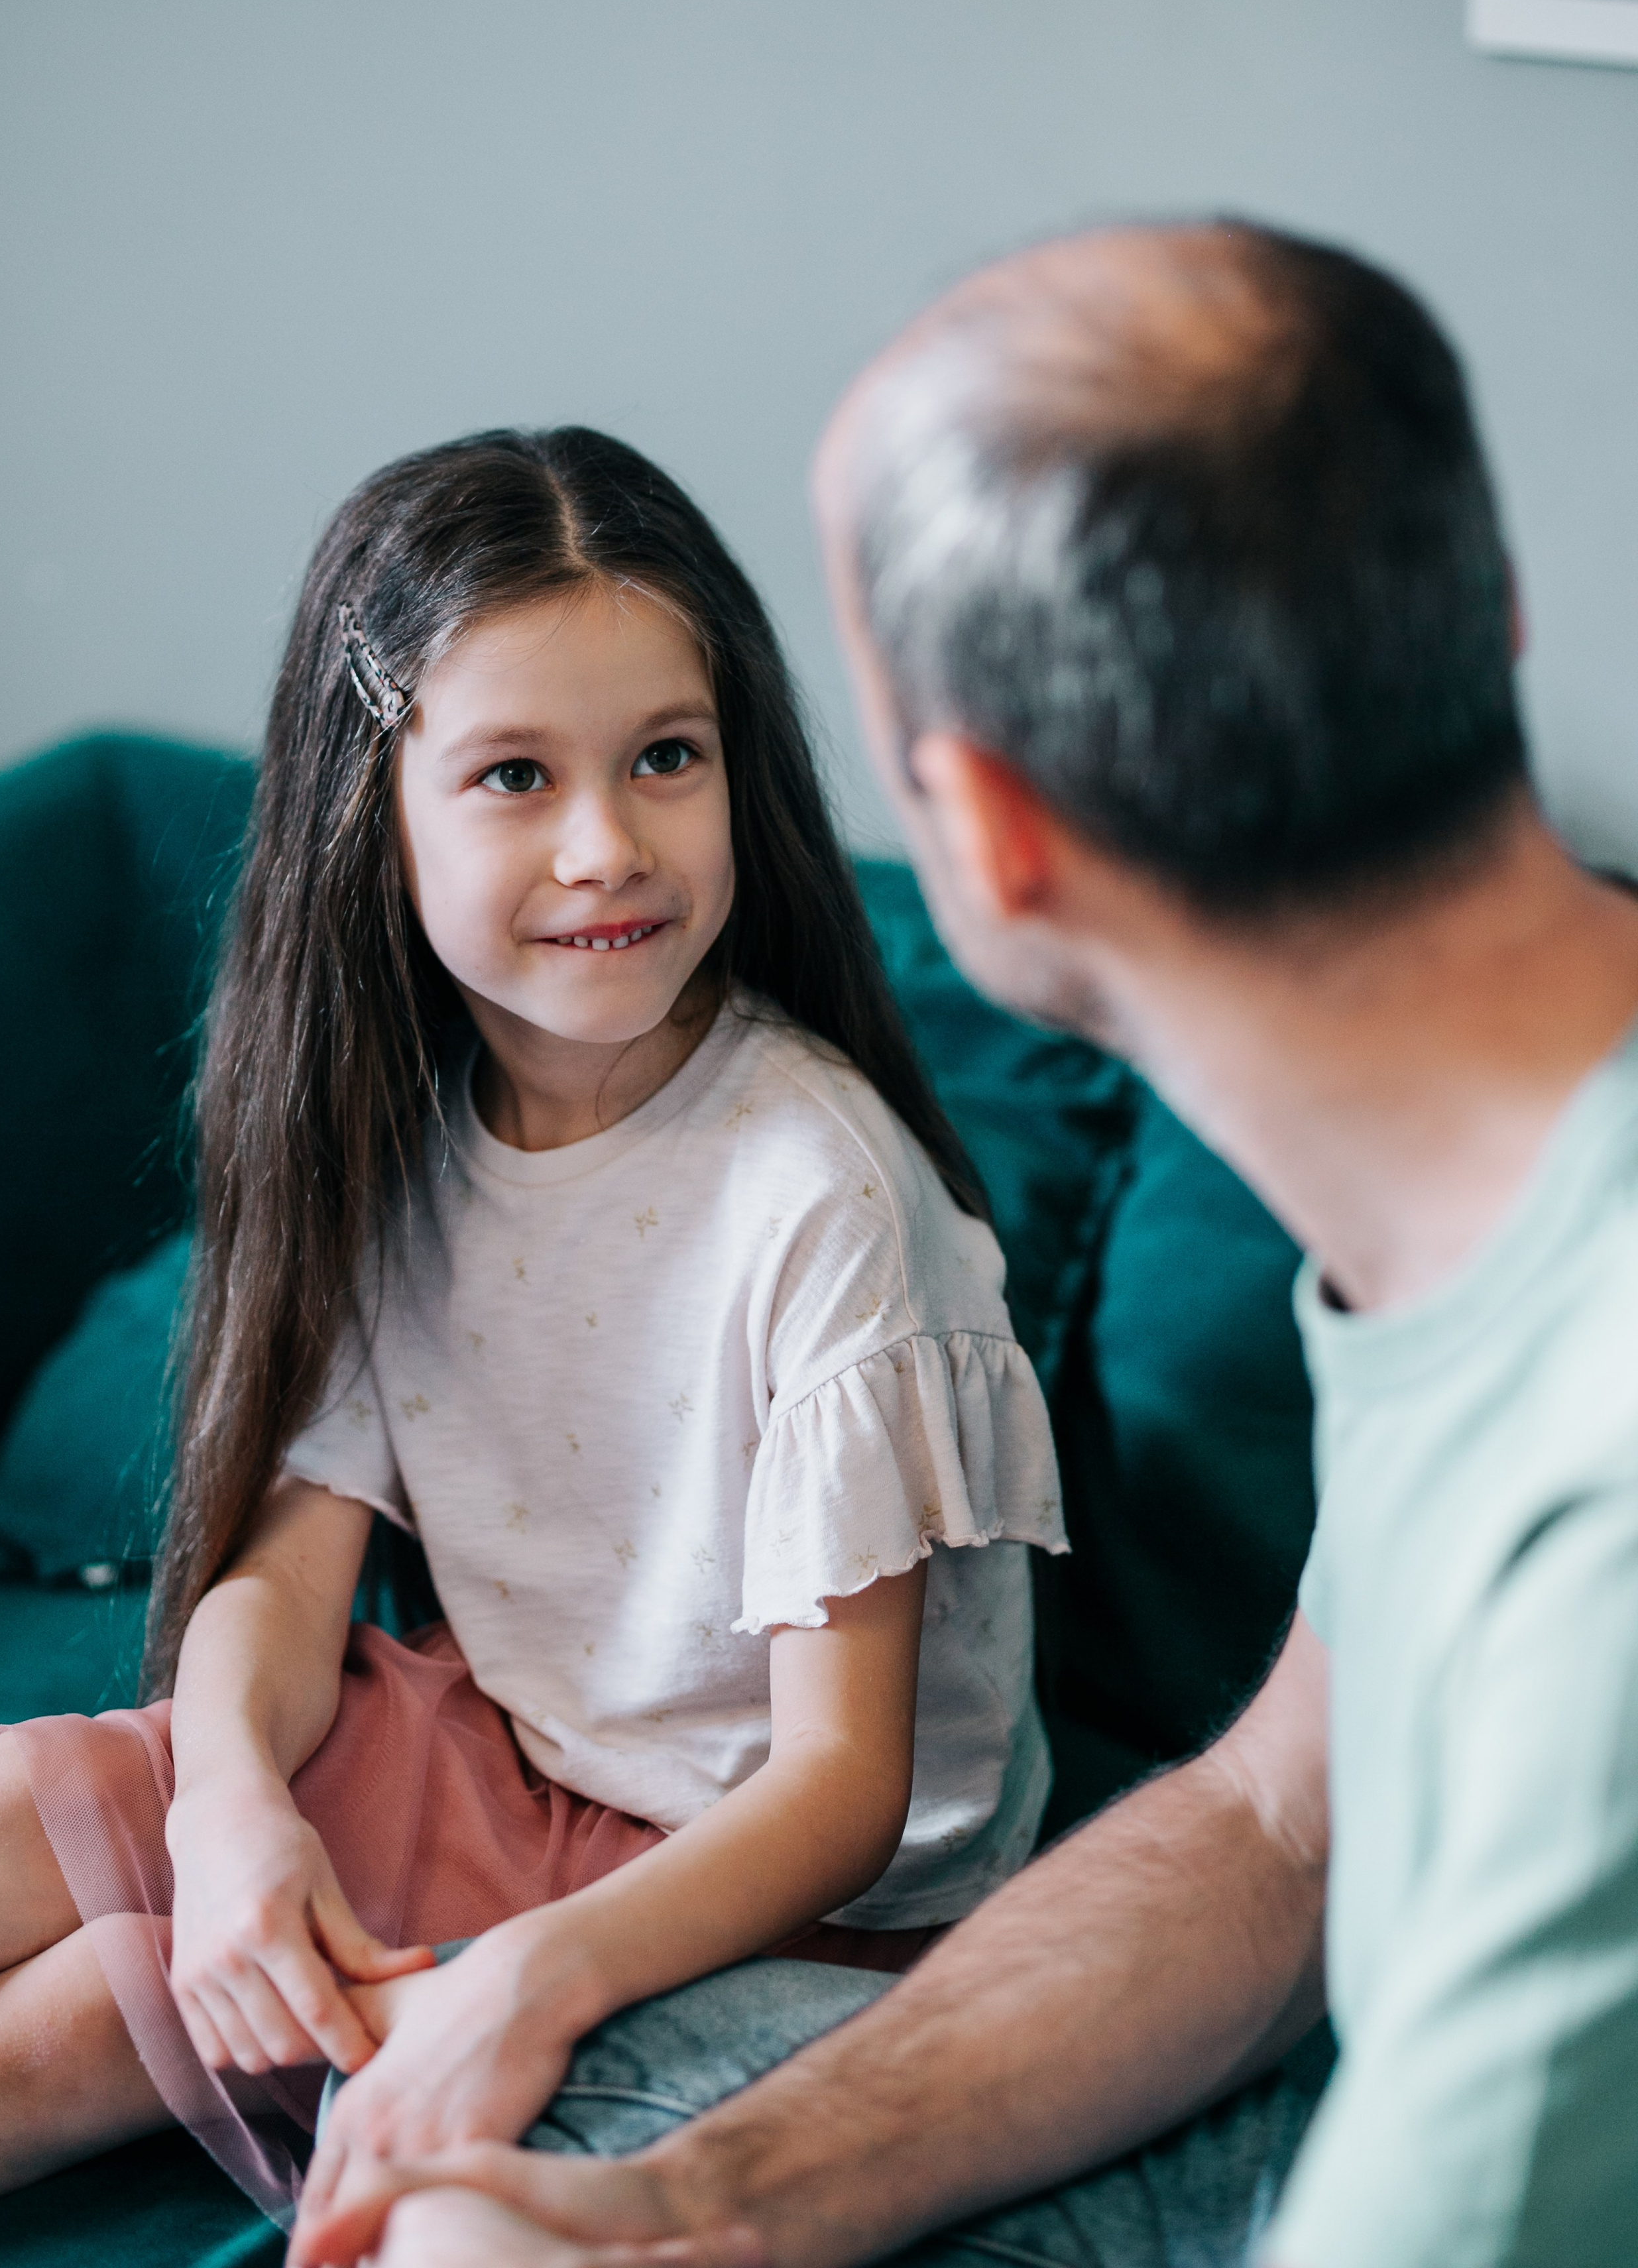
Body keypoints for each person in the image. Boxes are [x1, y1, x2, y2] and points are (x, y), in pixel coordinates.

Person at [289, 223, 1638, 2268]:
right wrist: (688, 2214)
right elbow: (1281, 1826)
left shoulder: (1601, 1488)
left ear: (988, 833)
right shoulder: (1483, 1217)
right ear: (1499, 621)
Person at [0, 427, 1069, 2226]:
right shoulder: (402, 1134)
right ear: (372, 818)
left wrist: (535, 1970)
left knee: (90, 2013)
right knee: (4, 1829)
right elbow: (289, 1578)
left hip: (786, 1894)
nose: (606, 845)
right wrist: (237, 1813)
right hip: (514, 1752)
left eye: (665, 759)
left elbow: (847, 1788)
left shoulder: (820, 1195)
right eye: (515, 776)